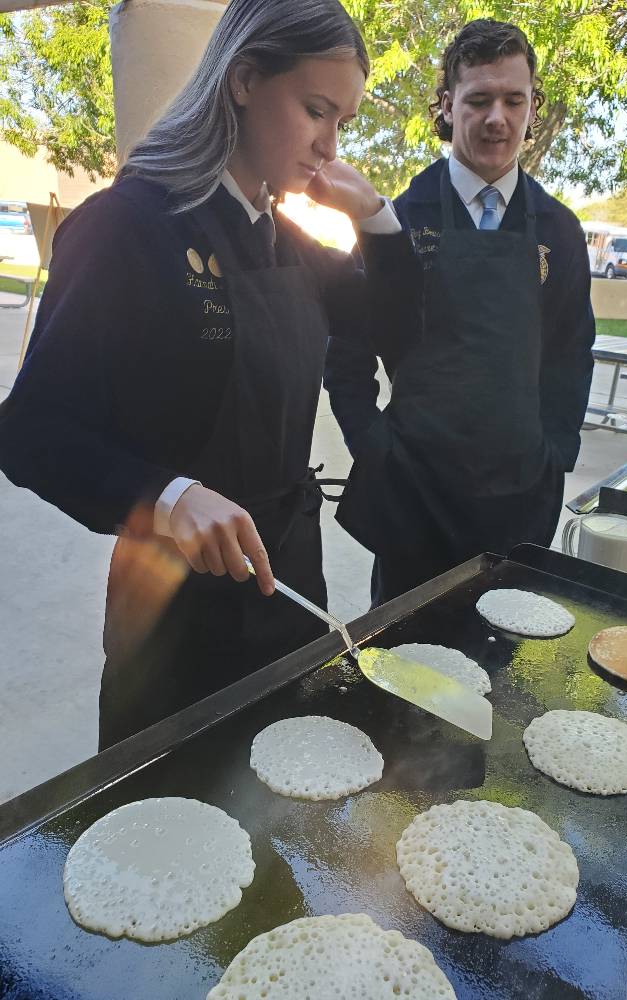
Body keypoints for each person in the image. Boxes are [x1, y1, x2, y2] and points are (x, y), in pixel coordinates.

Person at [0, 0, 419, 749]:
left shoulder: (288, 239)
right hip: (172, 612)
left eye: (343, 124)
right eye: (316, 111)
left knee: (287, 806)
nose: (329, 145)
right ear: (244, 79)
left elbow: (396, 325)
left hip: (288, 576)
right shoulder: (126, 225)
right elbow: (31, 432)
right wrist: (168, 497)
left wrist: (376, 214)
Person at [325, 19, 595, 605]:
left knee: (506, 663)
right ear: (447, 106)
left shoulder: (560, 230)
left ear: (531, 106)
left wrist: (558, 452)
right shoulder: (398, 219)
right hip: (416, 495)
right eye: (478, 100)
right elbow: (348, 352)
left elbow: (572, 351)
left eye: (513, 99)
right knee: (404, 676)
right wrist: (375, 449)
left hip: (521, 495)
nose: (497, 117)